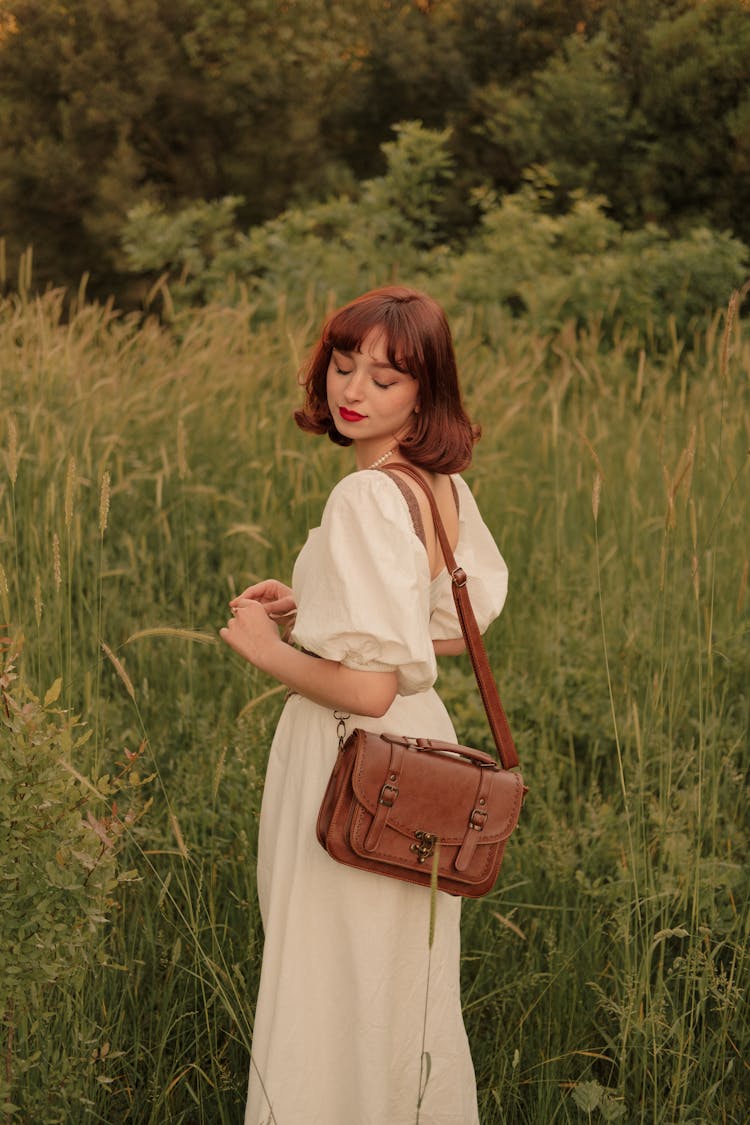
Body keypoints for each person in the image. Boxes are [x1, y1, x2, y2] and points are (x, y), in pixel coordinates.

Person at [220, 286, 509, 1125]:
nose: (354, 390)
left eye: (386, 378)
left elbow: (374, 683)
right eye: (344, 365)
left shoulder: (364, 496)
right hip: (421, 757)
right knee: (395, 988)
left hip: (354, 756)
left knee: (327, 983)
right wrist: (318, 613)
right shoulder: (434, 485)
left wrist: (272, 650)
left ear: (426, 392)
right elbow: (447, 631)